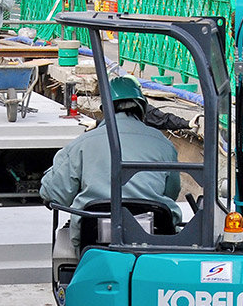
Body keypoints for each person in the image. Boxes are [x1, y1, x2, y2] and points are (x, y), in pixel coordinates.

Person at [40, 76, 181, 245]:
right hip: (155, 239)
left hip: (93, 239)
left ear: (105, 109)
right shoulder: (163, 144)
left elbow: (54, 194)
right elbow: (172, 191)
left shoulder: (83, 143)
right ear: (142, 108)